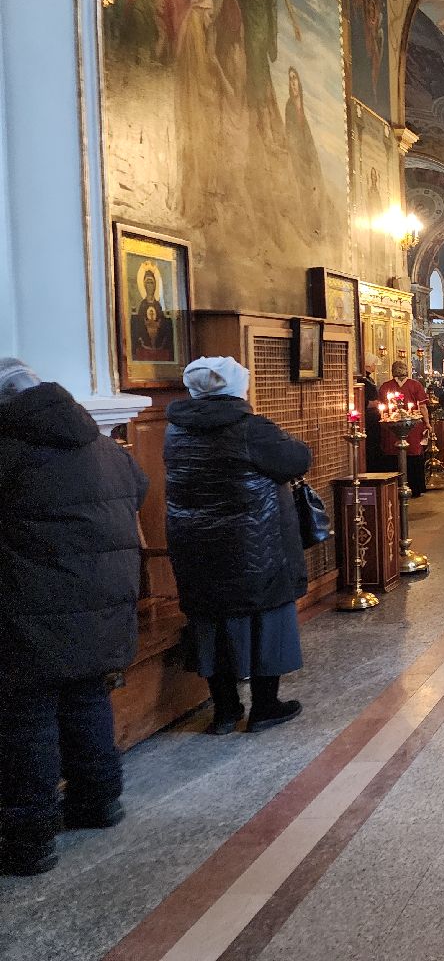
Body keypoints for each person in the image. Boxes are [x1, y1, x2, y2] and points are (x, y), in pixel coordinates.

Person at [0, 359, 148, 876]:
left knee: (27, 718)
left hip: (32, 608)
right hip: (104, 600)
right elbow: (139, 489)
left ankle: (28, 839)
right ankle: (98, 801)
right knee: (87, 697)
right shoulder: (104, 446)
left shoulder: (9, 455)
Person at [165, 357, 311, 736]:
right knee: (266, 623)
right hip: (255, 545)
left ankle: (225, 711)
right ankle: (265, 707)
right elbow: (297, 459)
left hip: (196, 546)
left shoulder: (175, 430)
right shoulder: (251, 429)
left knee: (212, 624)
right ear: (236, 388)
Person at [377, 360, 431, 498]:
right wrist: (427, 423)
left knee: (393, 454)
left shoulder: (386, 386)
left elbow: (381, 408)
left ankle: (393, 489)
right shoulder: (415, 385)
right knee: (413, 454)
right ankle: (415, 487)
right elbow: (422, 407)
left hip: (392, 426)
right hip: (412, 426)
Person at [360, 354, 384, 472]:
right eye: (374, 364)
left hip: (374, 416)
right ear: (368, 365)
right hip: (368, 417)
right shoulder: (361, 379)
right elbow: (361, 399)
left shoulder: (369, 379)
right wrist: (371, 403)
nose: (375, 366)